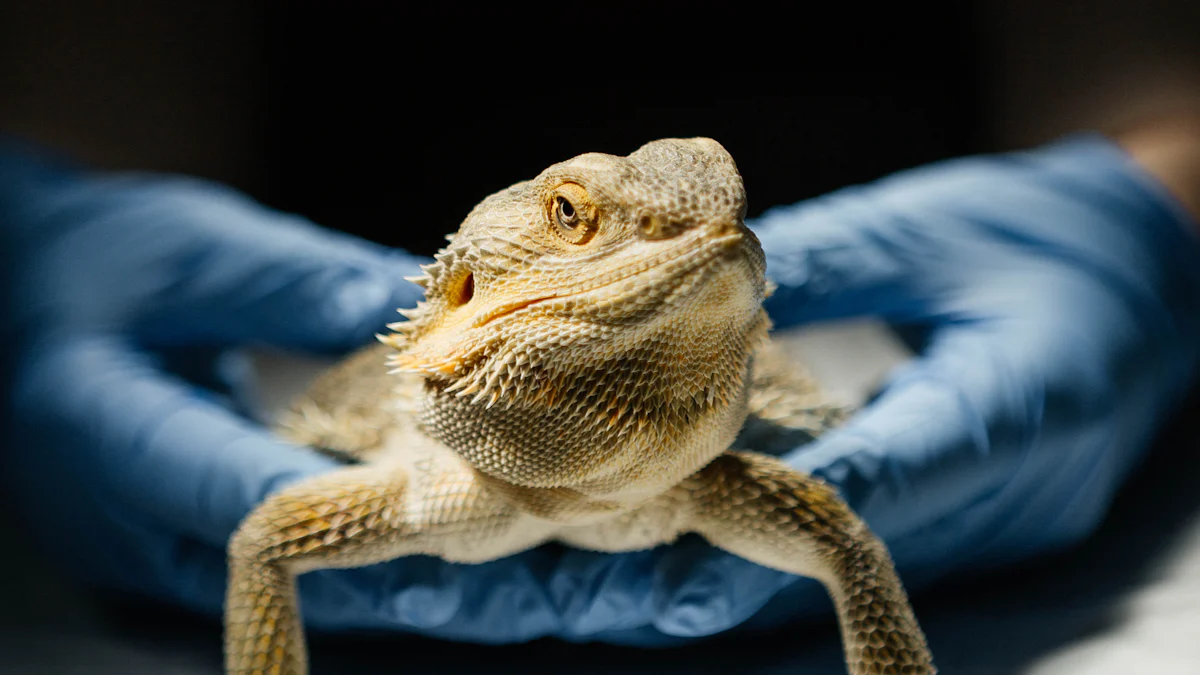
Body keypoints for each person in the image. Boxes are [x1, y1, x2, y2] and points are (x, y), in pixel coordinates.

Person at [2, 113, 1199, 647]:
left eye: (718, 231)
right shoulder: (428, 482)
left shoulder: (741, 485)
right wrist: (27, 237)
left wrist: (1150, 210)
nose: (699, 249)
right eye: (583, 220)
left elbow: (847, 550)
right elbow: (265, 540)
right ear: (468, 295)